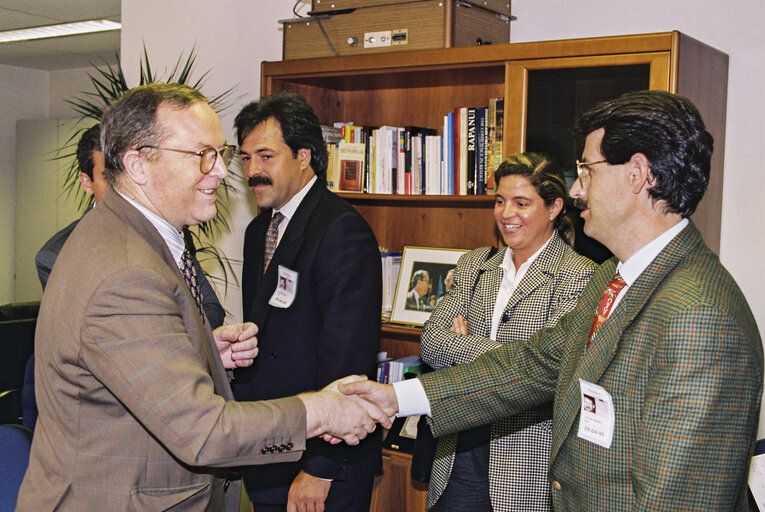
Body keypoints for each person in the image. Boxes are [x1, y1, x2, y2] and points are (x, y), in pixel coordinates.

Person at [343, 90, 763, 511]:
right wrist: (398, 398)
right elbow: (535, 364)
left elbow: (676, 503)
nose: (577, 190)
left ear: (638, 174)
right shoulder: (612, 278)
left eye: (587, 171)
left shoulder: (701, 315)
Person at [17, 83, 389, 512]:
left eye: (221, 154)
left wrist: (199, 349)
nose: (222, 172)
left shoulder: (122, 237)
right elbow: (204, 432)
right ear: (138, 163)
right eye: (202, 155)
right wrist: (322, 411)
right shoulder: (128, 271)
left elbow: (123, 363)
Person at [232, 90, 383, 512]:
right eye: (245, 158)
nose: (252, 172)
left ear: (304, 155)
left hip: (322, 461)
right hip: (269, 448)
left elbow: (348, 361)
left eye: (265, 157)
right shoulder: (257, 233)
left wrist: (320, 468)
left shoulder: (340, 230)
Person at [421, 153, 596, 512]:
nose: (506, 214)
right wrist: (513, 353)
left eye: (521, 203)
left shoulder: (579, 275)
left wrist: (463, 346)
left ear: (553, 208)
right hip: (457, 456)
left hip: (525, 467)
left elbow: (552, 365)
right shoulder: (475, 264)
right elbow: (431, 343)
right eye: (500, 201)